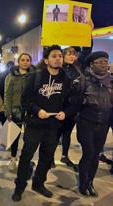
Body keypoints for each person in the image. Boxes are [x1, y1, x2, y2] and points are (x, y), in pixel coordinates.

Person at [12, 45, 75, 202]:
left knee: (46, 158)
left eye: (60, 56)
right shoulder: (36, 76)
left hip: (53, 127)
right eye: (54, 56)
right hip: (34, 124)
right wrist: (36, 110)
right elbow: (25, 100)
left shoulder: (66, 79)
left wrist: (65, 113)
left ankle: (38, 184)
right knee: (26, 157)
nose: (58, 58)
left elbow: (71, 102)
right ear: (46, 60)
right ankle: (19, 187)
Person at [74, 51, 112, 197]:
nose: (104, 64)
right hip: (86, 124)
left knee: (96, 154)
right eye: (100, 62)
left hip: (103, 124)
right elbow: (74, 103)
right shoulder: (83, 81)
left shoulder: (111, 81)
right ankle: (83, 183)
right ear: (91, 64)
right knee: (88, 152)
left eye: (106, 61)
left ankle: (90, 182)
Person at [4, 53, 32, 169]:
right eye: (23, 60)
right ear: (18, 62)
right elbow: (7, 94)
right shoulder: (11, 76)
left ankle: (26, 159)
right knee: (14, 136)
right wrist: (8, 111)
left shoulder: (34, 76)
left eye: (27, 60)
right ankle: (13, 158)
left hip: (31, 110)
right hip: (15, 110)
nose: (25, 62)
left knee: (29, 137)